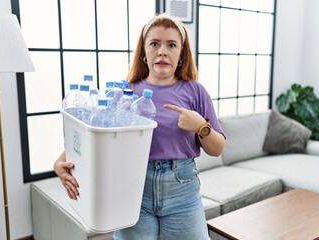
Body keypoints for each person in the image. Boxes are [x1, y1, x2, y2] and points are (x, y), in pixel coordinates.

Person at [54, 13, 226, 240]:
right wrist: (59, 162)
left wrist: (200, 126)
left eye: (171, 45)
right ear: (144, 52)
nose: (162, 51)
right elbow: (98, 134)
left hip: (182, 192)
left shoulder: (195, 92)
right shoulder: (125, 93)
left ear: (181, 53)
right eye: (154, 44)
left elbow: (217, 149)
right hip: (131, 189)